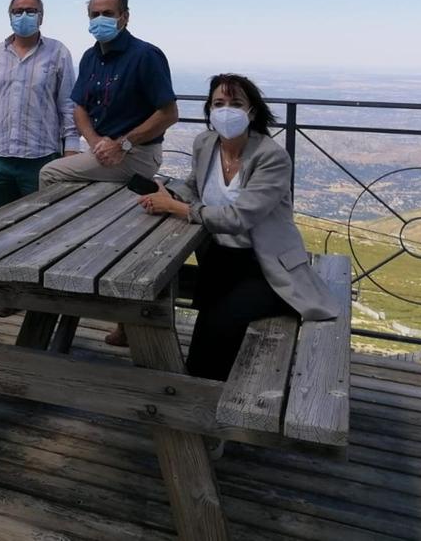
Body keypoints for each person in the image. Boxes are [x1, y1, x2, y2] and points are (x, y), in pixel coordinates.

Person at [138, 73, 339, 382]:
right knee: (192, 316)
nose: (226, 110)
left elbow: (237, 218)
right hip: (218, 260)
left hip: (265, 268)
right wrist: (169, 192)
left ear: (252, 111)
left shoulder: (271, 157)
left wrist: (176, 207)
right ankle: (198, 390)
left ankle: (207, 402)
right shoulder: (205, 143)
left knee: (217, 328)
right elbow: (195, 187)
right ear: (209, 110)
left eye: (235, 103)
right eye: (218, 103)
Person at [39, 0, 178, 187]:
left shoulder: (145, 55)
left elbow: (169, 114)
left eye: (108, 13)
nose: (100, 19)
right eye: (95, 15)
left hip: (137, 153)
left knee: (49, 173)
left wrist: (122, 145)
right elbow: (79, 107)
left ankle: (49, 219)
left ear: (125, 17)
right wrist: (95, 141)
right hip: (103, 150)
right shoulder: (90, 57)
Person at [0, 0, 78, 209]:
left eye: (30, 11)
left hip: (41, 157)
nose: (23, 15)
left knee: (41, 220)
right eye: (17, 11)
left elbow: (69, 106)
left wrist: (70, 151)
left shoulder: (58, 52)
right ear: (10, 16)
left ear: (41, 17)